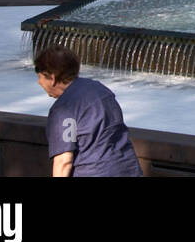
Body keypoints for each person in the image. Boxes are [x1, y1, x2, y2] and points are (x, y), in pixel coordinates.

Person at [35, 45, 141, 177]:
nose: (39, 82)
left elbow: (64, 161)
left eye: (40, 77)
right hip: (128, 169)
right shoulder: (101, 90)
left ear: (52, 77)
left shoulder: (63, 109)